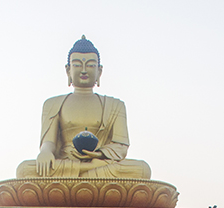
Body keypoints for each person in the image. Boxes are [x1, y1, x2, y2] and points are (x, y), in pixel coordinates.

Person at [16, 36, 151, 179]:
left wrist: (98, 154)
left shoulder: (115, 105)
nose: (84, 70)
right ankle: (88, 171)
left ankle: (84, 172)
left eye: (91, 65)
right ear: (68, 70)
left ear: (99, 71)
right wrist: (45, 152)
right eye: (77, 65)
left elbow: (120, 147)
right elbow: (49, 142)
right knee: (24, 170)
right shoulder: (52, 104)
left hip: (101, 163)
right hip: (66, 164)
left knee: (142, 169)